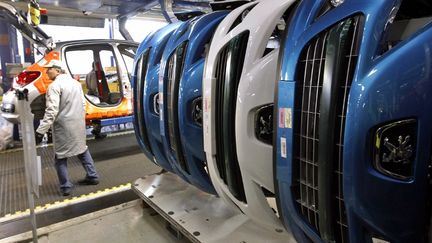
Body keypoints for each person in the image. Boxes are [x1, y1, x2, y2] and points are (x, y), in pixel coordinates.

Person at [35, 59, 99, 196]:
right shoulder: (76, 84)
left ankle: (65, 186)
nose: (46, 72)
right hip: (78, 123)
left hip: (64, 127)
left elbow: (51, 111)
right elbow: (82, 105)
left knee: (60, 157)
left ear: (57, 70)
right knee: (82, 149)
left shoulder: (54, 86)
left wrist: (40, 131)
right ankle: (92, 176)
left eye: (49, 69)